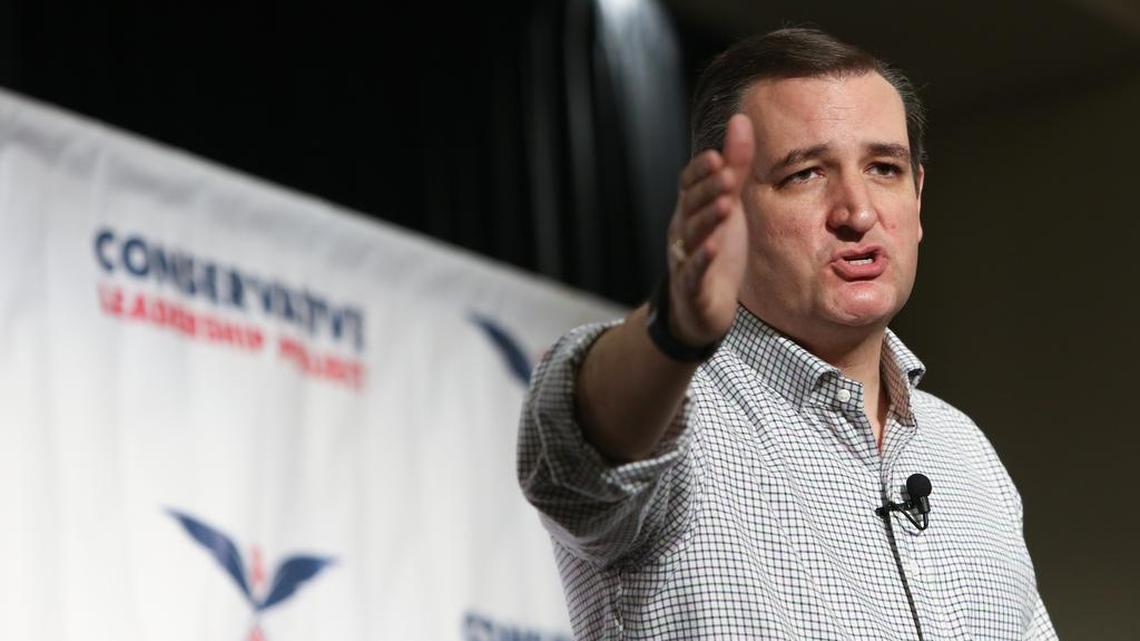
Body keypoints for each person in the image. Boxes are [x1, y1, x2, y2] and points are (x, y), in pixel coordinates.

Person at [517, 28, 1056, 640]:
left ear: (918, 198)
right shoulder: (670, 411)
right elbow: (573, 456)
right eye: (804, 174)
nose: (856, 212)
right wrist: (672, 331)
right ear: (727, 207)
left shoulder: (967, 454)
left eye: (884, 168)